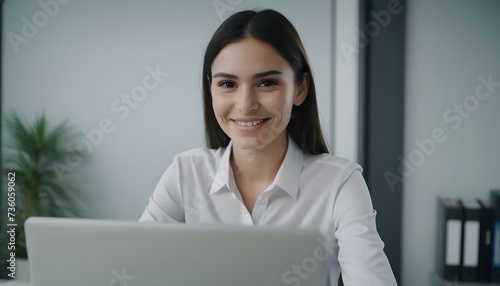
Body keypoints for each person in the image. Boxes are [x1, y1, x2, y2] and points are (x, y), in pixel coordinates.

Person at [139, 9, 397, 285]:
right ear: (211, 90)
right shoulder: (184, 173)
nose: (246, 104)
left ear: (300, 89)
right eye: (228, 84)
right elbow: (136, 269)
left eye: (267, 83)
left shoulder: (340, 184)